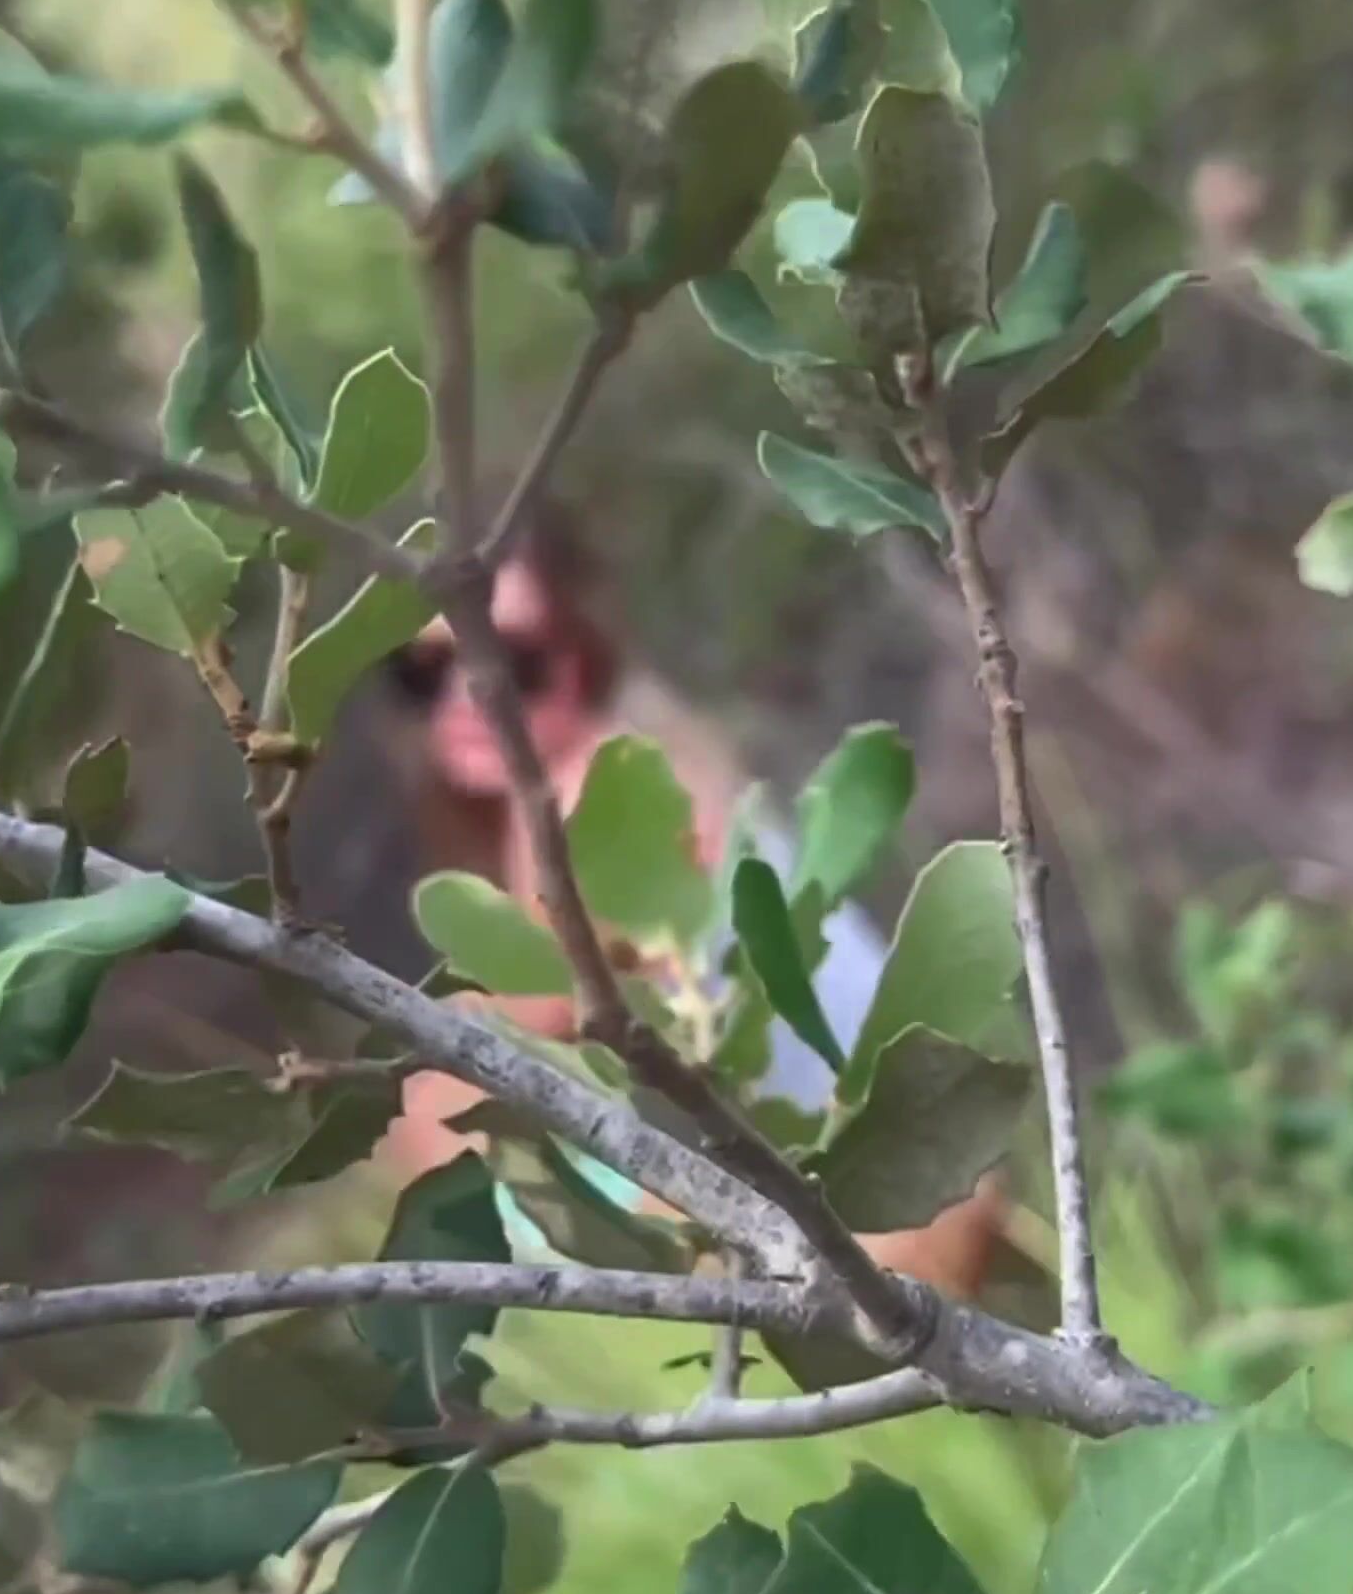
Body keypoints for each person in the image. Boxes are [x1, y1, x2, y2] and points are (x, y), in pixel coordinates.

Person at [368, 529, 1018, 1301]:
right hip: (909, 1197)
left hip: (891, 1230)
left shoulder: (595, 803)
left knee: (429, 1126)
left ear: (582, 660)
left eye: (510, 664)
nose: (464, 699)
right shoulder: (632, 766)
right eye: (422, 672)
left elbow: (498, 1040)